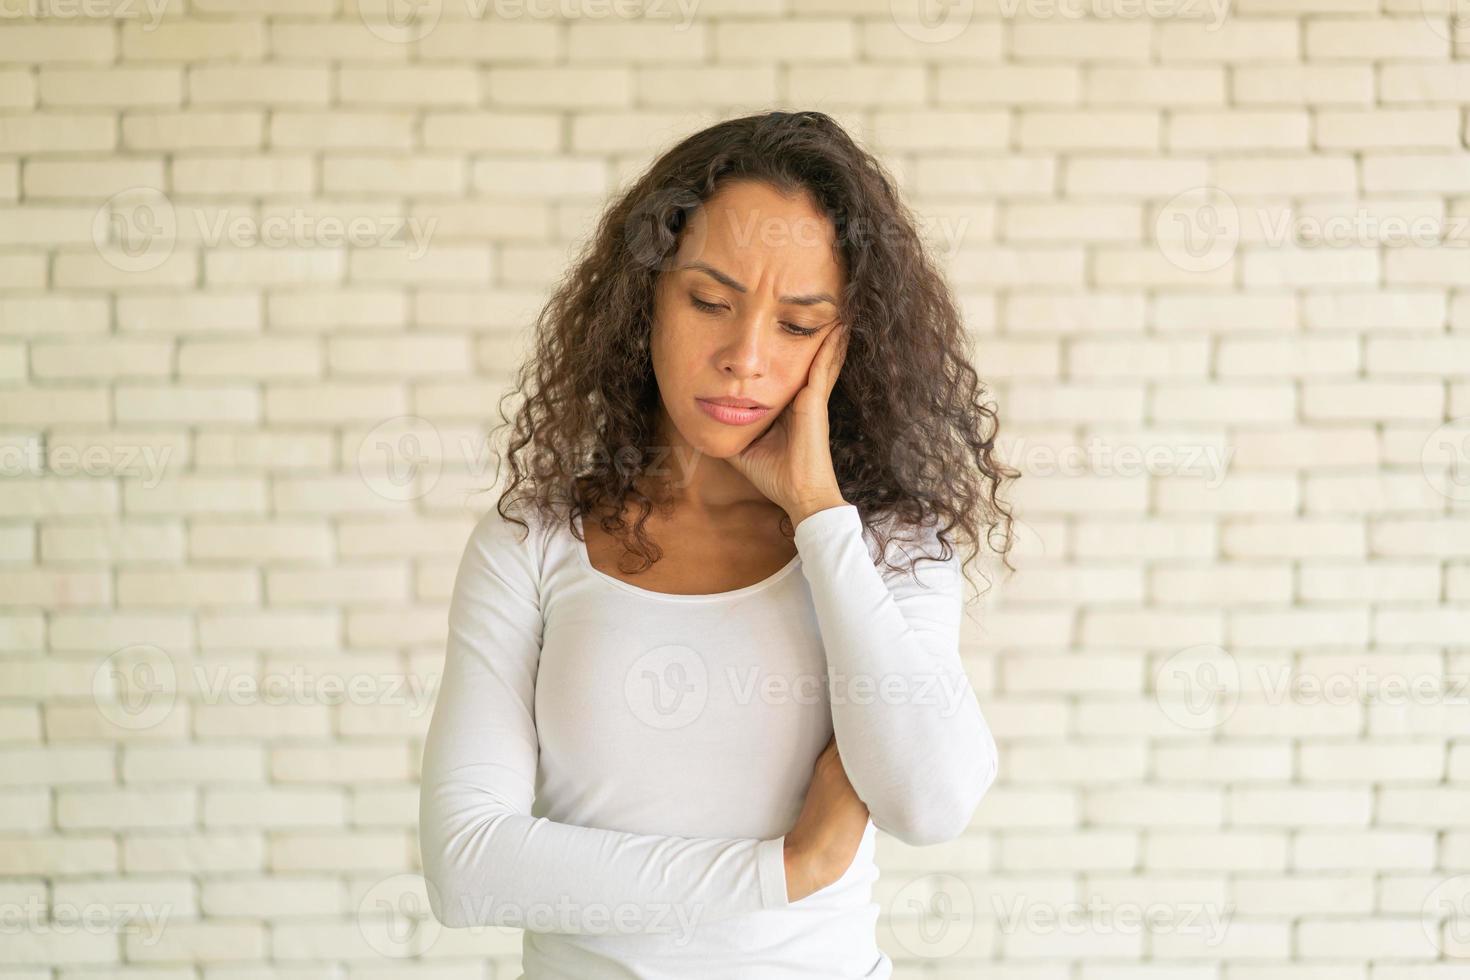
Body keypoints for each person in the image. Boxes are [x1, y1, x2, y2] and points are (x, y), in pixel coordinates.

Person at [418, 109, 1018, 979]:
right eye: (710, 302)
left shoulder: (887, 548)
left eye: (799, 325)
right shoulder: (532, 543)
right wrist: (785, 871)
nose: (745, 356)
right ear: (644, 298)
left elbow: (929, 800)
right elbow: (467, 867)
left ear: (848, 345)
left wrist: (818, 514)